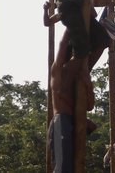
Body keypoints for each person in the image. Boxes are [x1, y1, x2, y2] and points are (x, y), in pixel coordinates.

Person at [48, 31, 97, 173]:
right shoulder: (58, 71)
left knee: (74, 165)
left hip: (76, 123)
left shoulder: (80, 78)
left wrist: (88, 85)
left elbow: (89, 106)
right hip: (62, 121)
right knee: (63, 167)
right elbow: (63, 45)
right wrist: (72, 26)